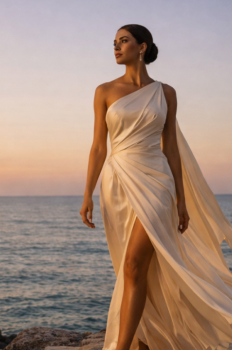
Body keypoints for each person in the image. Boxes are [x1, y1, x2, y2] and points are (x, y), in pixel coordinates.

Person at [80, 24, 232, 350]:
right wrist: (87, 194)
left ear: (143, 47)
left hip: (157, 182)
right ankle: (146, 337)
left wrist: (181, 199)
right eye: (115, 43)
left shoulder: (166, 93)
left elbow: (172, 148)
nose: (117, 47)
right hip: (117, 182)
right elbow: (98, 147)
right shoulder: (104, 91)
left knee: (135, 263)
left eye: (124, 41)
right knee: (134, 267)